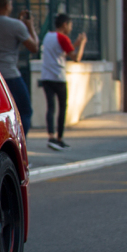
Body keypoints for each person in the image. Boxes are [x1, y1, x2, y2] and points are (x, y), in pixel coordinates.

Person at [0, 0, 39, 134]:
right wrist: (29, 26)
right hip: (8, 75)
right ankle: (20, 145)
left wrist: (19, 23)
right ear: (7, 5)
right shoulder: (17, 26)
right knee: (24, 111)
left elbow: (2, 30)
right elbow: (34, 47)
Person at [38, 13, 86, 151]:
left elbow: (61, 52)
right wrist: (81, 44)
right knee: (62, 107)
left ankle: (51, 136)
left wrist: (74, 43)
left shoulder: (48, 36)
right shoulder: (63, 38)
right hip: (59, 77)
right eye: (70, 25)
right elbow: (76, 58)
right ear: (65, 25)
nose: (71, 28)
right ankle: (59, 138)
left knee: (50, 107)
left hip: (46, 76)